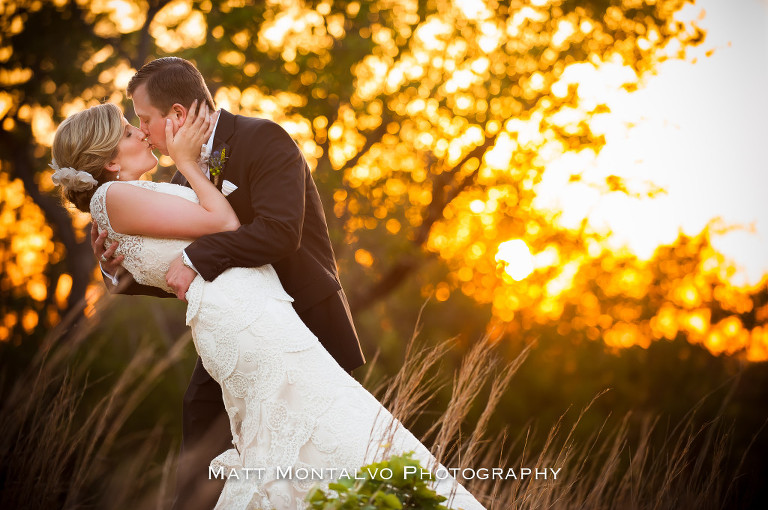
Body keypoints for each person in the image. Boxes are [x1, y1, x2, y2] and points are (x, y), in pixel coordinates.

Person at [51, 101, 486, 509]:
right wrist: (186, 162)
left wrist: (114, 274)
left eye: (141, 123)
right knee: (302, 420)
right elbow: (222, 223)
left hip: (256, 313)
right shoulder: (115, 197)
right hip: (244, 322)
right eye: (131, 131)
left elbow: (163, 261)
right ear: (110, 160)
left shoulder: (134, 197)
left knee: (302, 421)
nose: (143, 134)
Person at [91, 57, 366, 509]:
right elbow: (167, 265)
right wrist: (114, 269)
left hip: (302, 324)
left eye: (145, 120)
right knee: (202, 425)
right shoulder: (184, 175)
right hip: (236, 331)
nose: (143, 133)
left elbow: (280, 232)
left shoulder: (264, 139)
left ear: (177, 115)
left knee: (319, 456)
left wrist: (196, 258)